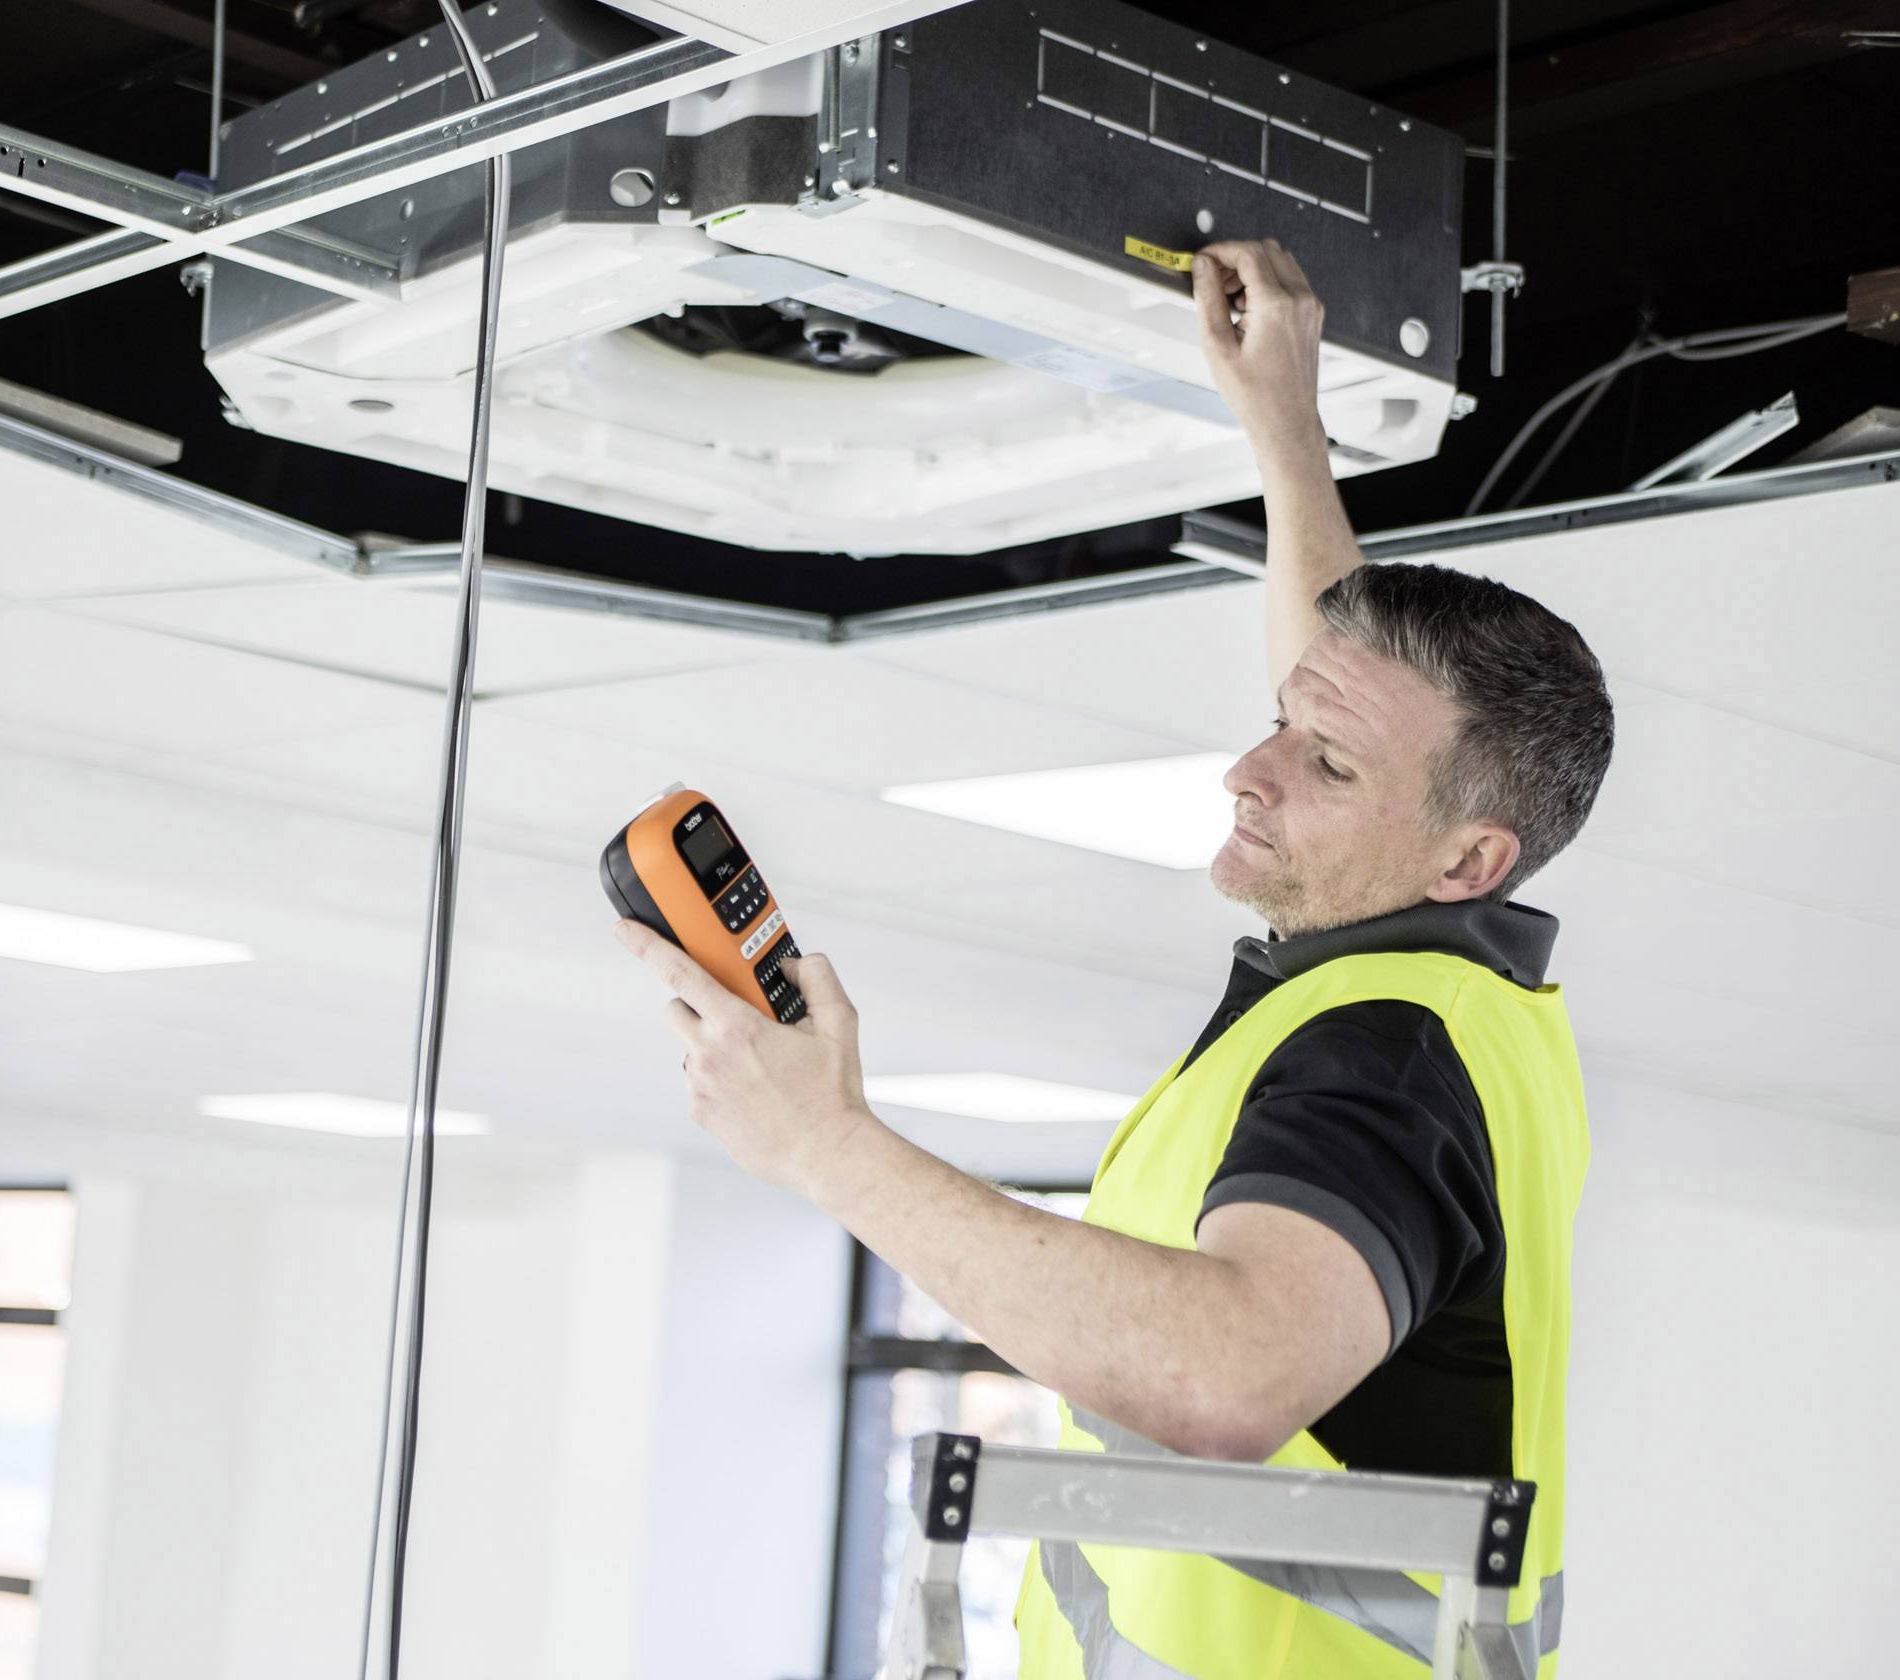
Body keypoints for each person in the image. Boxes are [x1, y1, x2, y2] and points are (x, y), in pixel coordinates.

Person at [612, 238, 1613, 1680]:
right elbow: (1346, 682)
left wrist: (824, 1147)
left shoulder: (1384, 1054)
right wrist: (1282, 422)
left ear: (1468, 864)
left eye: (1318, 763)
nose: (1247, 771)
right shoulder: (1458, 995)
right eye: (1282, 720)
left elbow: (1224, 1383)